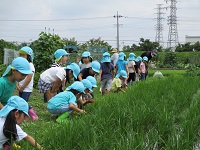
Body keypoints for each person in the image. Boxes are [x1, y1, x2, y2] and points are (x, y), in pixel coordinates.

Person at [16, 46, 38, 120]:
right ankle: (26, 116)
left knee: (23, 103)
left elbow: (29, 78)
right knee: (22, 102)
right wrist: (18, 85)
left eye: (24, 55)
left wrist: (22, 87)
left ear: (29, 56)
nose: (22, 57)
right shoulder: (21, 65)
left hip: (26, 88)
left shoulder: (30, 65)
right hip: (21, 87)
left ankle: (31, 115)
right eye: (21, 55)